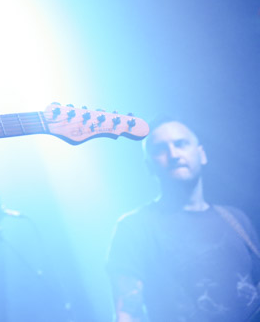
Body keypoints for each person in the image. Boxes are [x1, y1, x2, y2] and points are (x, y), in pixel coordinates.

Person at [106, 119, 260, 321]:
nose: (174, 155)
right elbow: (127, 312)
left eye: (181, 144)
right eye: (161, 149)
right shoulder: (134, 227)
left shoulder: (236, 219)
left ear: (202, 154)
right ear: (149, 166)